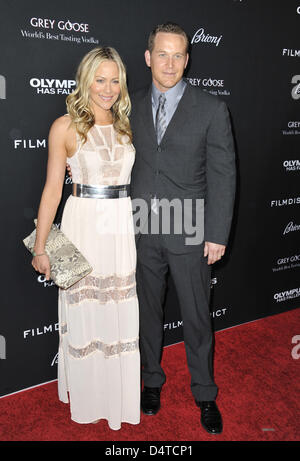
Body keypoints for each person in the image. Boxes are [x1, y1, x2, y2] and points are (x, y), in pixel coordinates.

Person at [129, 23, 236, 435]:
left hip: (191, 228)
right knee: (148, 314)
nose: (170, 63)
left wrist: (218, 232)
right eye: (162, 54)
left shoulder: (211, 108)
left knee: (196, 318)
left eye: (178, 55)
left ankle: (205, 393)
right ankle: (152, 381)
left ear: (187, 60)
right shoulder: (130, 105)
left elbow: (224, 175)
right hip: (141, 226)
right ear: (148, 57)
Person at [31, 47, 140, 431]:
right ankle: (90, 397)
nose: (107, 89)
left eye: (115, 81)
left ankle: (117, 396)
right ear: (85, 80)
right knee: (85, 314)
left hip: (120, 226)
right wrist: (41, 247)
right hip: (84, 225)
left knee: (117, 312)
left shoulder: (128, 125)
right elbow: (51, 191)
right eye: (100, 79)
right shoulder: (65, 127)